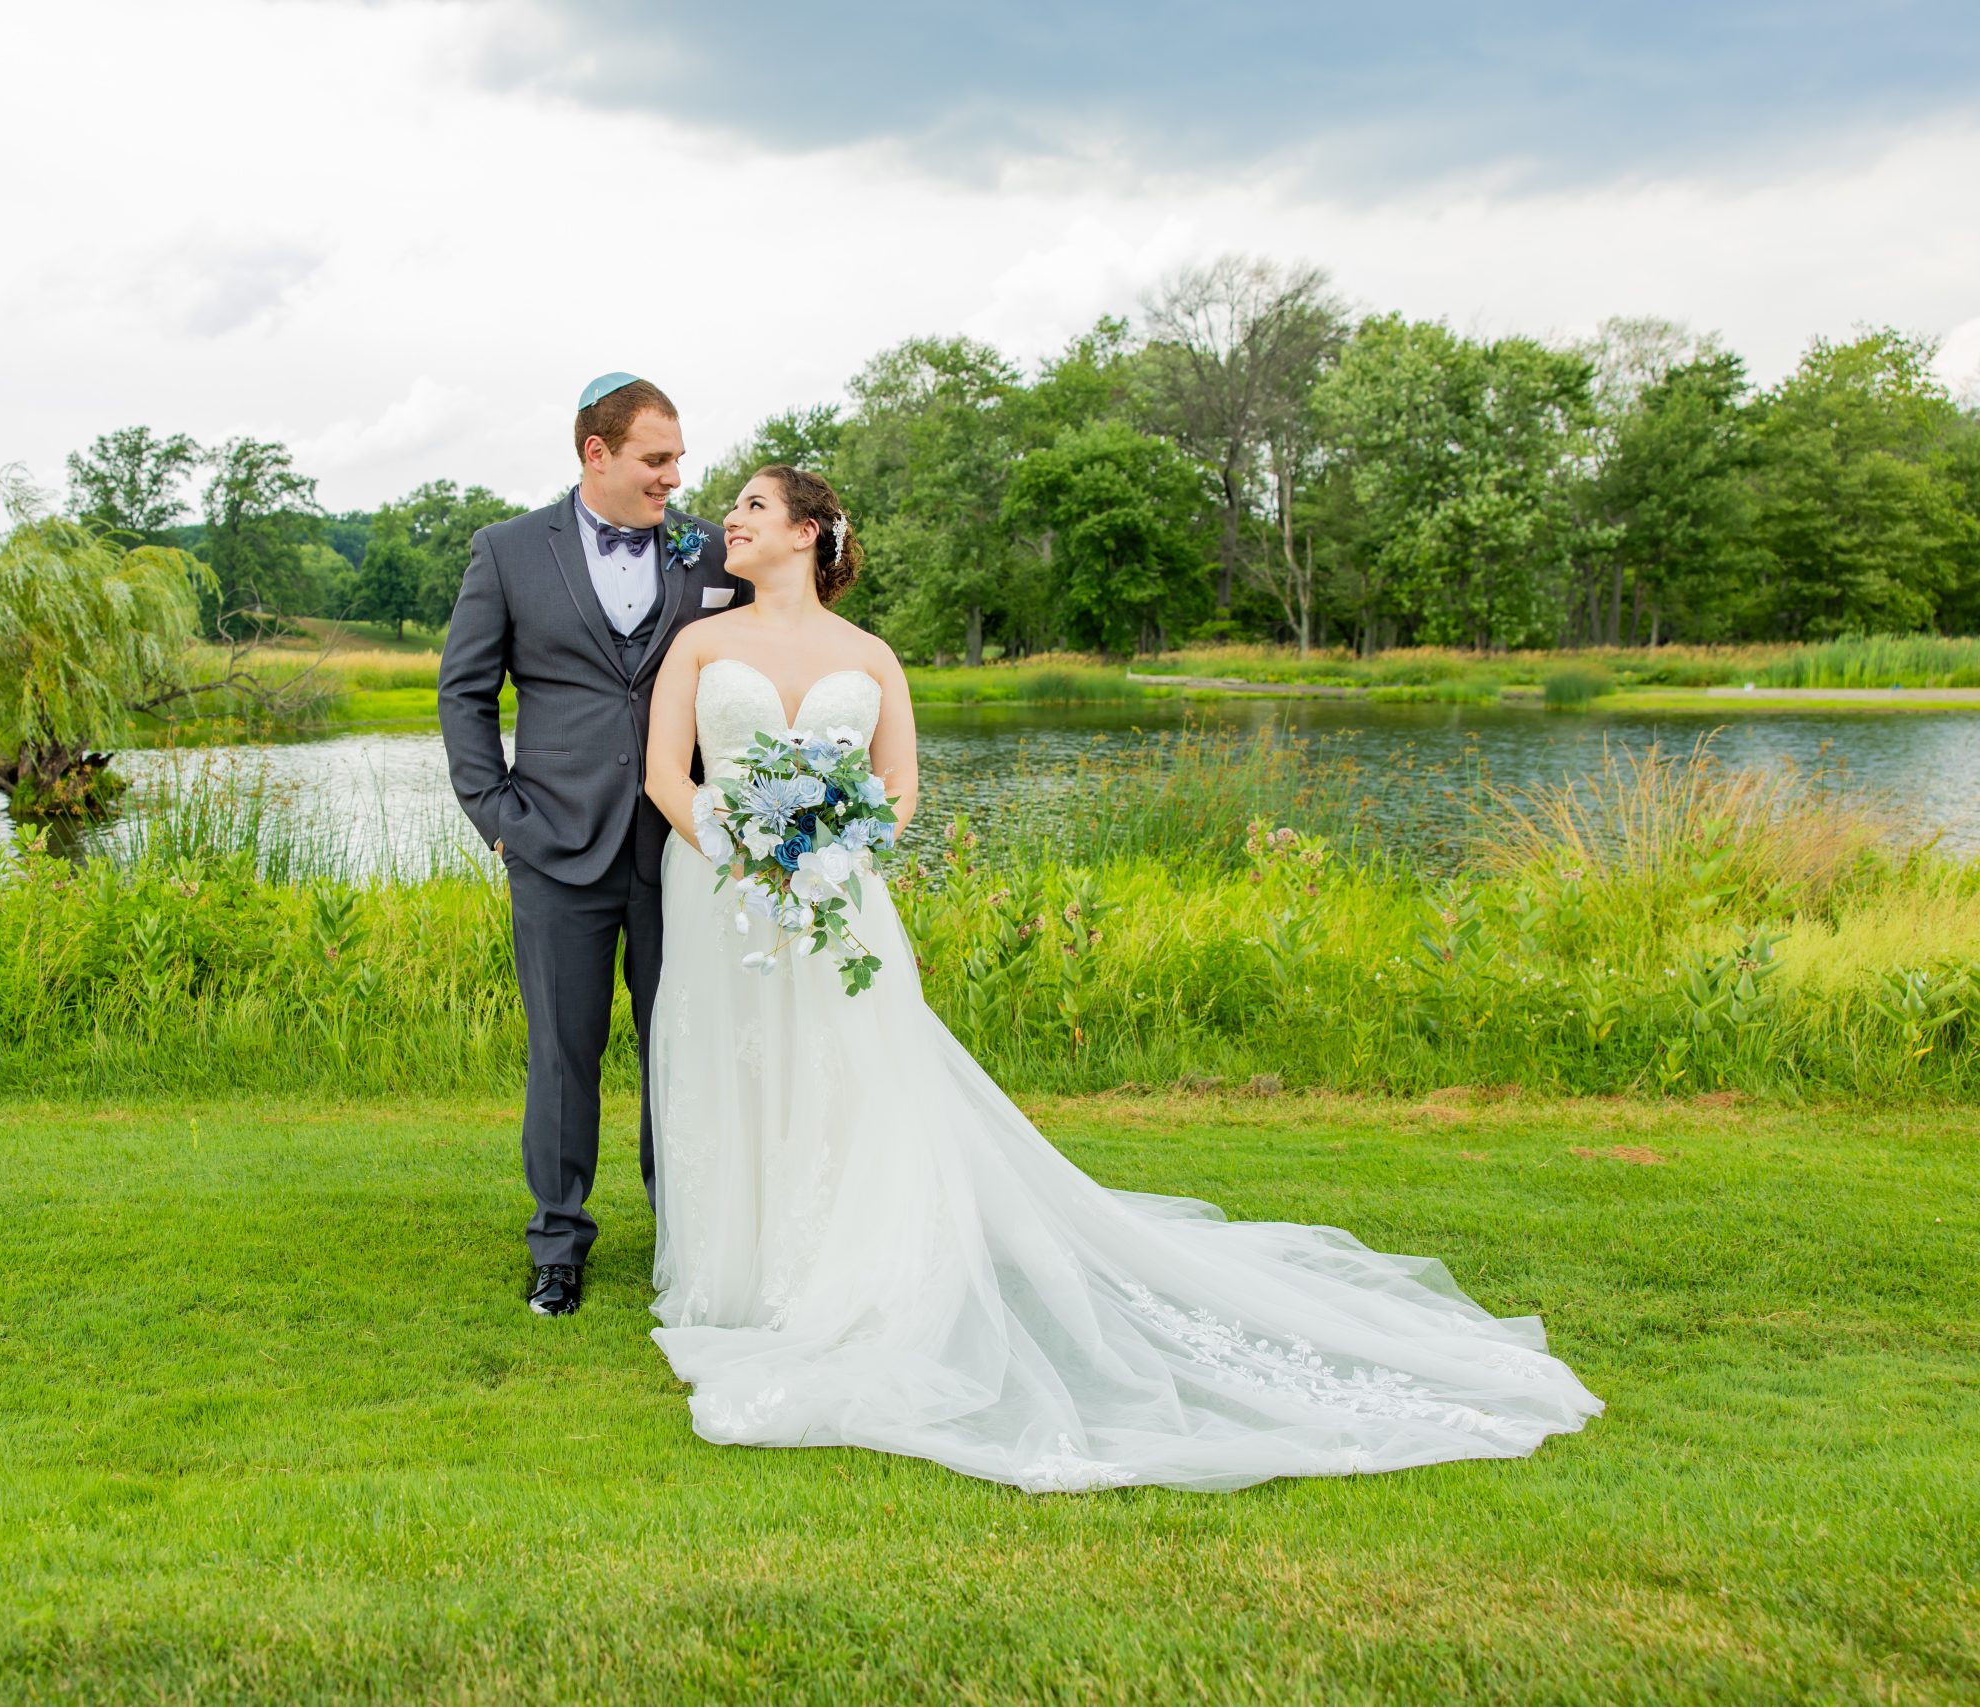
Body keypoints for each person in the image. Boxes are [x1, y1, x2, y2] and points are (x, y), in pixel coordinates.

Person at [636, 464, 1604, 1492]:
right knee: (733, 1067)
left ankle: (841, 1272)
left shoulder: (870, 656)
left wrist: (835, 848)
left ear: (808, 533)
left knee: (848, 1078)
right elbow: (666, 774)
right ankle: (742, 1277)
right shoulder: (700, 643)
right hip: (718, 888)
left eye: (749, 507)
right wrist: (744, 850)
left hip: (842, 894)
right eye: (733, 508)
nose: (728, 522)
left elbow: (902, 784)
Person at [438, 374, 753, 1316]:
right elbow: (463, 695)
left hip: (681, 850)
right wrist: (497, 815)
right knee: (563, 1053)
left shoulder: (709, 552)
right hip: (553, 847)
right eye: (658, 459)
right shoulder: (504, 553)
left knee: (683, 1046)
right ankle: (559, 1244)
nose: (675, 476)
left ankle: (687, 1232)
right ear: (597, 453)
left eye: (678, 458)